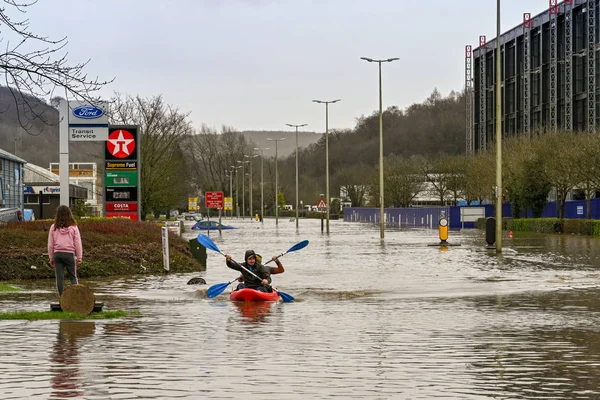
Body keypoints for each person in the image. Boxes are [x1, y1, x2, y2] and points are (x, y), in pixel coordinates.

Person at [47, 205, 83, 297]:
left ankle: (61, 298)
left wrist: (51, 257)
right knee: (73, 277)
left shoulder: (53, 227)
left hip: (57, 254)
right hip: (69, 254)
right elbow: (78, 242)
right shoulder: (74, 227)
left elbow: (50, 244)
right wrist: (79, 257)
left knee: (59, 278)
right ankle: (76, 297)